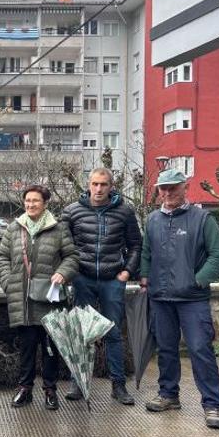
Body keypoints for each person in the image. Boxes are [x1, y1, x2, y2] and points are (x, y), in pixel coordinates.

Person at [140, 169, 219, 429]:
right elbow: (147, 252)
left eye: (172, 188)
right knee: (166, 350)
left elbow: (217, 256)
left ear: (184, 187)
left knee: (200, 349)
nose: (167, 193)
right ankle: (169, 395)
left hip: (193, 299)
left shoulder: (202, 219)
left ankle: (212, 404)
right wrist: (145, 277)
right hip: (161, 297)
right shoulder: (153, 219)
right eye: (163, 188)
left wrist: (198, 280)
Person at [62, 167, 142, 405]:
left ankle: (118, 386)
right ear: (88, 184)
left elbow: (136, 245)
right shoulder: (72, 212)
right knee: (81, 333)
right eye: (95, 184)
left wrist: (127, 272)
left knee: (113, 333)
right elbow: (64, 247)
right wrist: (71, 273)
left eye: (103, 184)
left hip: (112, 280)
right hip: (82, 279)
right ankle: (78, 382)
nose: (98, 189)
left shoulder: (125, 212)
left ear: (111, 186)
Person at [0, 184, 78, 411]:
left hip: (50, 299)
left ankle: (50, 390)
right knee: (27, 347)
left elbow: (71, 256)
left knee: (50, 347)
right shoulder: (14, 228)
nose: (31, 205)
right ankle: (25, 389)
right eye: (28, 201)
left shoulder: (58, 228)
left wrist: (63, 272)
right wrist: (7, 281)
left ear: (45, 204)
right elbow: (2, 256)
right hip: (23, 299)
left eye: (36, 201)